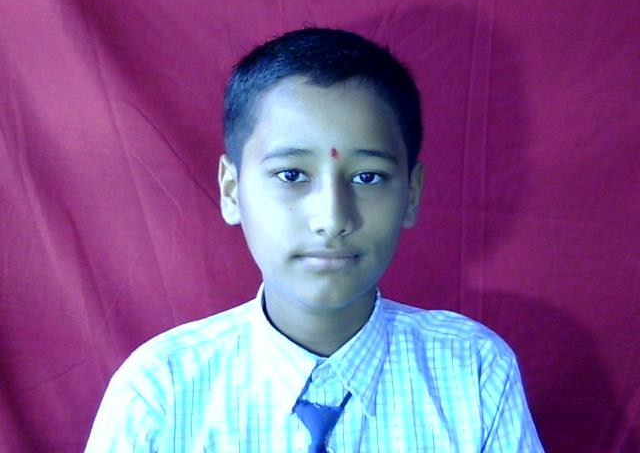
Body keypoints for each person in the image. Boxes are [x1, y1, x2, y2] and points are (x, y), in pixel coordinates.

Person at [85, 27, 544, 452]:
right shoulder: (160, 391)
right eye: (291, 175)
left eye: (367, 176)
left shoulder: (472, 372)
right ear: (231, 190)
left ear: (411, 193)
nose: (332, 219)